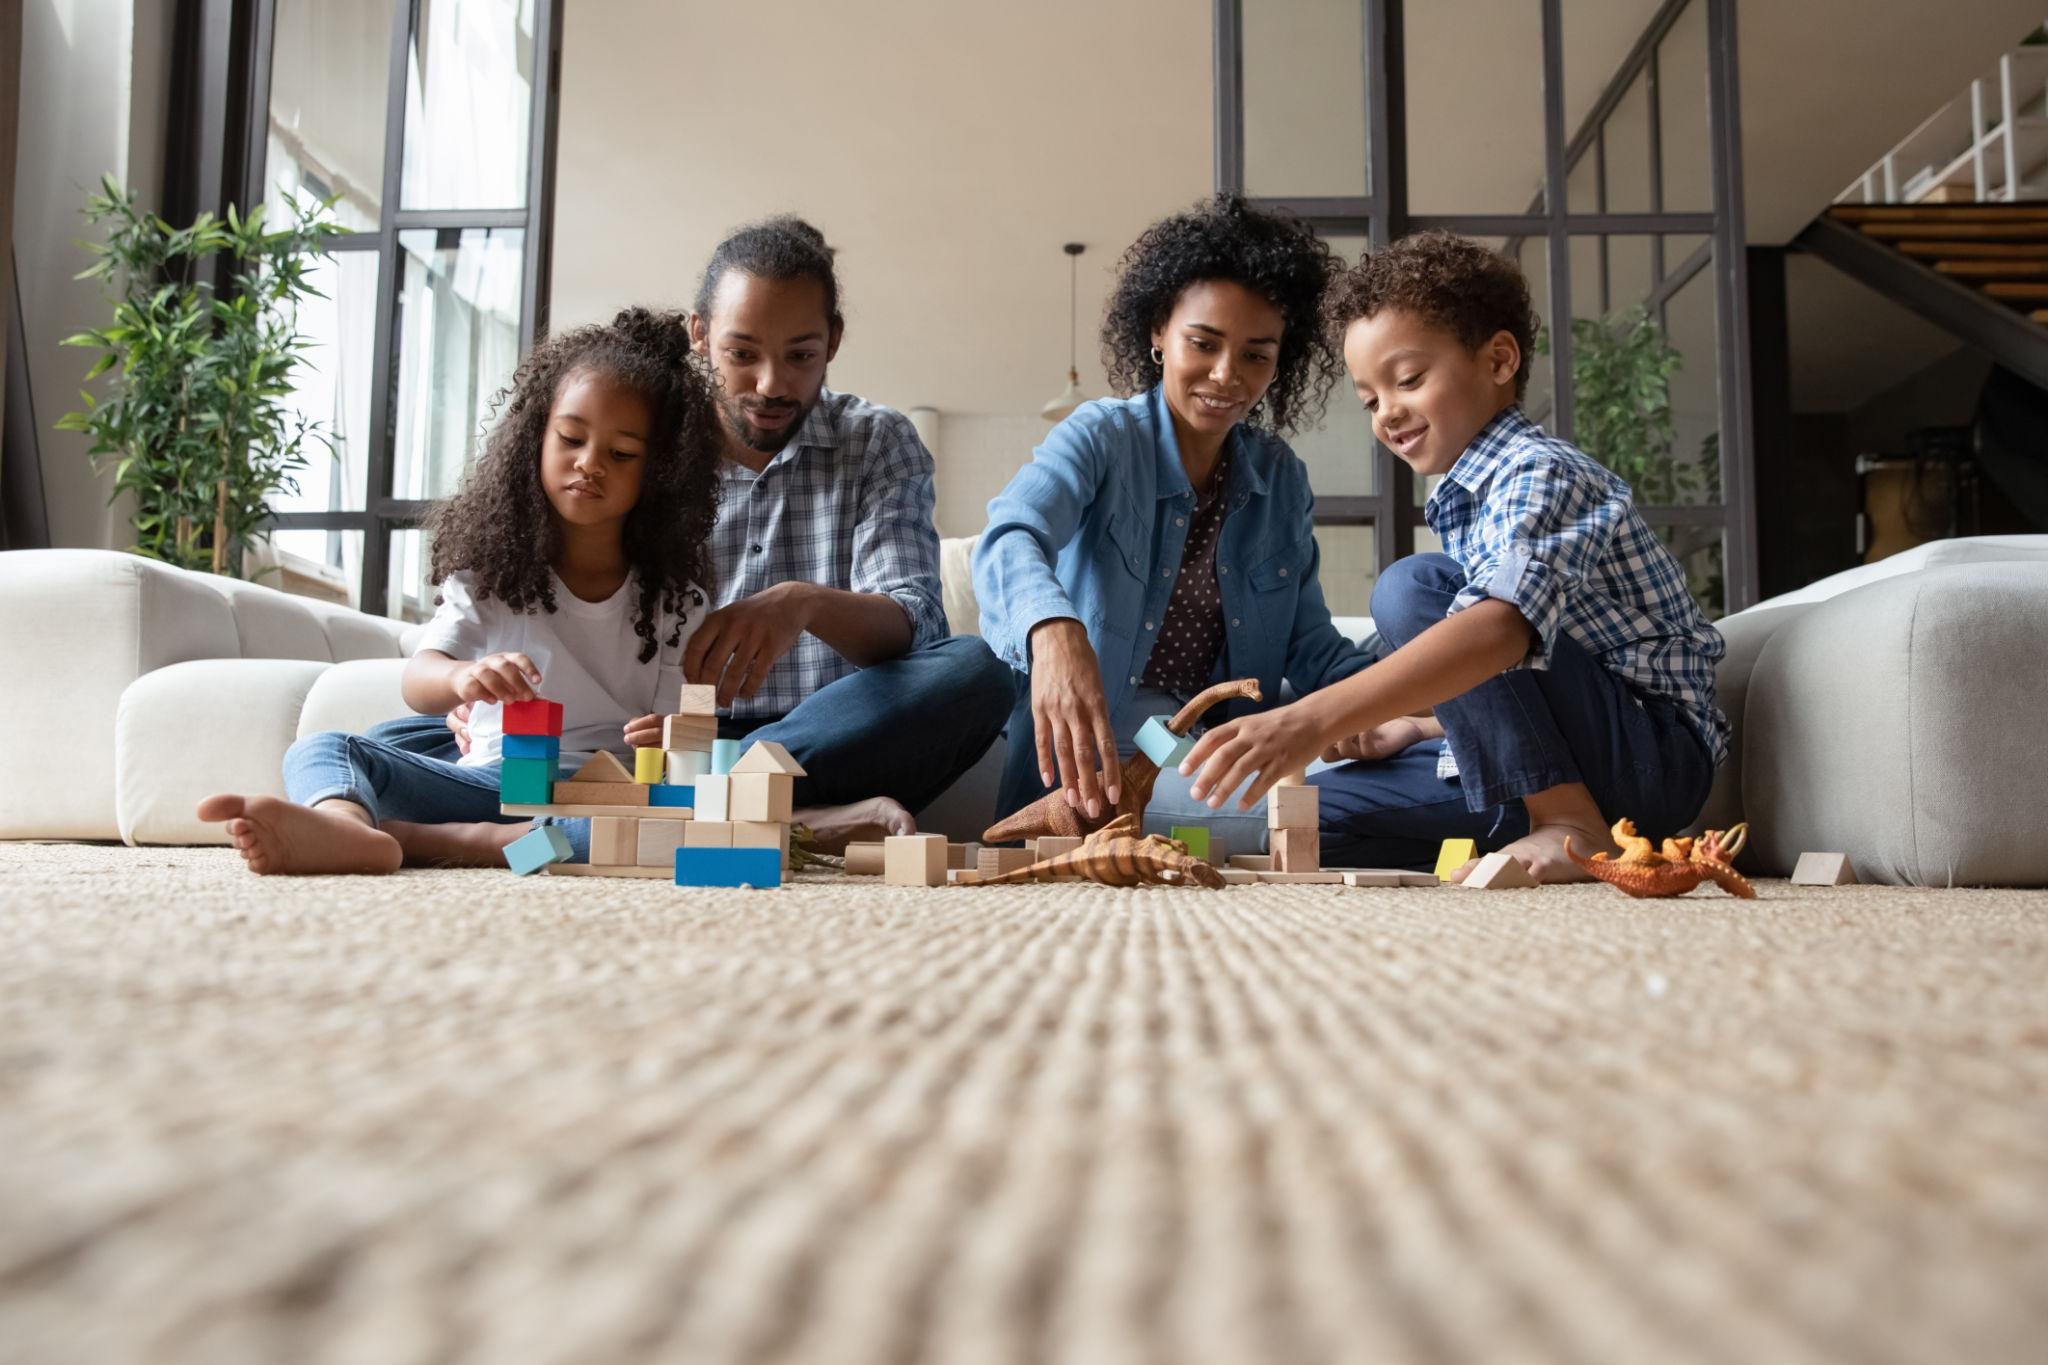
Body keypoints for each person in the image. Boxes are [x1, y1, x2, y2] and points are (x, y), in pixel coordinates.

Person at [396, 216, 1015, 848]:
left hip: (821, 735)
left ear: (832, 341)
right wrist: (475, 689)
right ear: (700, 334)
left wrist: (800, 605)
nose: (770, 385)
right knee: (391, 741)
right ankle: (759, 819)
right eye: (742, 355)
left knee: (976, 672)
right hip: (658, 743)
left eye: (799, 356)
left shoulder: (878, 443)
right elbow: (561, 586)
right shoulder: (643, 443)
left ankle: (697, 809)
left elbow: (917, 626)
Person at [1176, 229, 1728, 881]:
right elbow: (1517, 697)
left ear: (1497, 361)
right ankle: (1531, 823)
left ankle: (1570, 825)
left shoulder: (1541, 473)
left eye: (1408, 379)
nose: (1387, 413)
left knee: (1411, 588)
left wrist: (1309, 721)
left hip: (1650, 757)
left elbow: (1498, 633)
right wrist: (1418, 726)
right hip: (1584, 758)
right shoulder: (1466, 495)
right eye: (1370, 399)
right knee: (1314, 822)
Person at [198, 308, 721, 873]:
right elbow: (418, 682)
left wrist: (669, 735)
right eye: (571, 438)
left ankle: (444, 842)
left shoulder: (677, 602)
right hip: (493, 782)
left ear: (661, 472)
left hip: (600, 795)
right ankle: (345, 827)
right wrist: (459, 678)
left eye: (621, 454)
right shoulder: (494, 575)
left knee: (664, 831)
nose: (589, 463)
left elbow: (680, 732)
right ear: (535, 439)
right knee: (325, 748)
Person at [973, 194, 1373, 847]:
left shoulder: (1281, 478)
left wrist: (1411, 698)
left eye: (1256, 354)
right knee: (1315, 815)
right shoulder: (1100, 437)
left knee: (1422, 771)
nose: (1227, 375)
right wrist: (1053, 628)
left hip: (1217, 740)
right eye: (1204, 343)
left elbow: (1310, 648)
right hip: (1108, 751)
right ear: (1159, 331)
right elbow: (1009, 536)